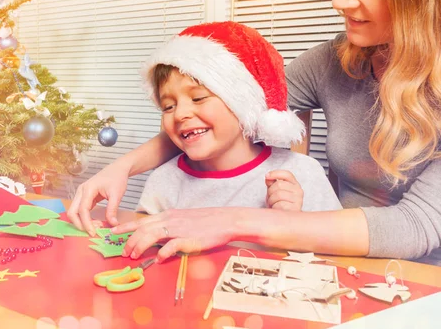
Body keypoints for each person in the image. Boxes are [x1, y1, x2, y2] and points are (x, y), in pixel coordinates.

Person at [67, 0, 441, 265]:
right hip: (345, 263)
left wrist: (232, 219)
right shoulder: (338, 58)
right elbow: (232, 108)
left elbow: (416, 225)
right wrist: (121, 168)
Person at [136, 21, 341, 215]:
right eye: (168, 106)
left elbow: (336, 247)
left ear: (242, 102)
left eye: (198, 98)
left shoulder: (301, 173)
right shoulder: (163, 182)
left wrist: (294, 222)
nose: (180, 114)